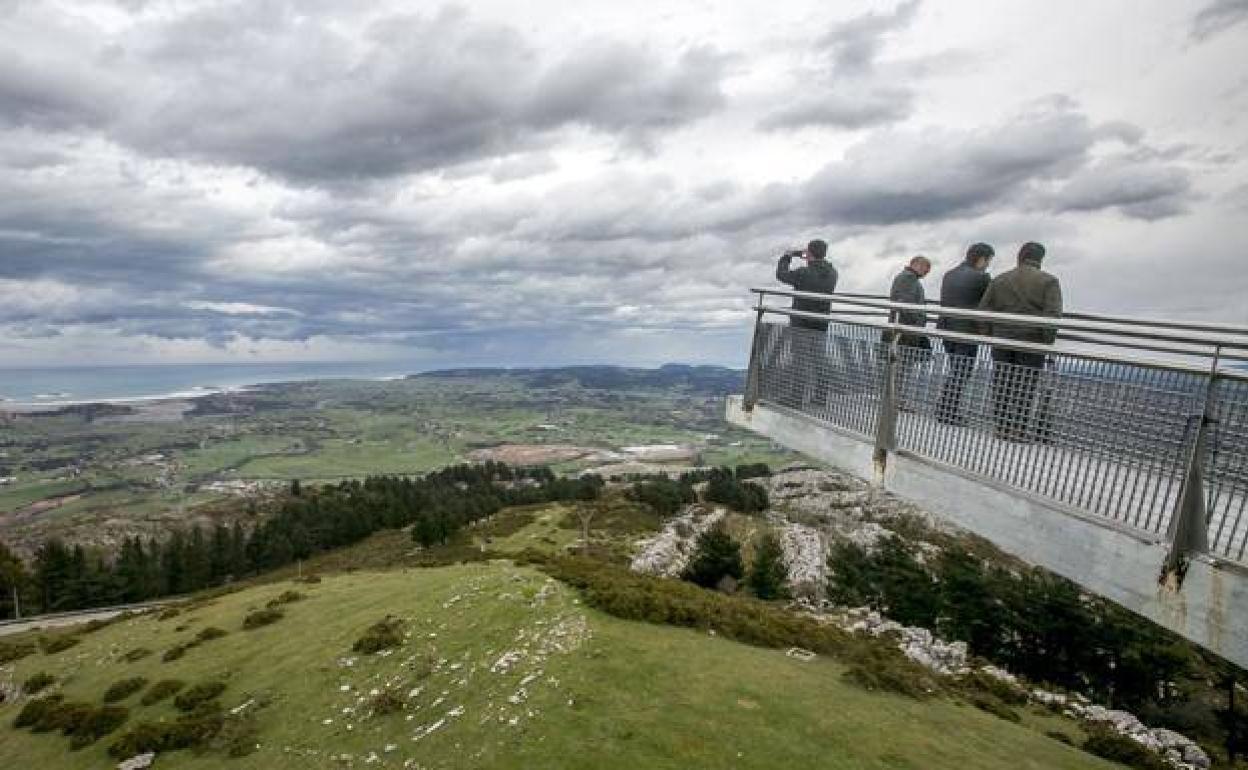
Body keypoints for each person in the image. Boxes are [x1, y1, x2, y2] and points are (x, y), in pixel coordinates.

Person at [978, 242, 1063, 441]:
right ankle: (1018, 428)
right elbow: (1053, 315)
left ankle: (1001, 426)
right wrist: (1047, 341)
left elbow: (983, 310)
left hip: (1002, 338)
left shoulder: (1000, 280)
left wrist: (988, 335)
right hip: (1031, 341)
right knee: (1025, 385)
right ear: (1040, 259)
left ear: (1020, 256)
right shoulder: (1049, 281)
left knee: (1001, 382)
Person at [771, 239, 838, 408]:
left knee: (800, 360)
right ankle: (821, 396)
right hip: (821, 321)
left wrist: (787, 256)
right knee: (819, 359)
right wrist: (808, 257)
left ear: (809, 253)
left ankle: (796, 398)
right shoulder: (832, 273)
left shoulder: (804, 273)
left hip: (801, 322)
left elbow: (781, 274)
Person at [936, 243, 994, 424]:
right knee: (962, 372)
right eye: (989, 260)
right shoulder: (982, 278)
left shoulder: (949, 274)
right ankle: (946, 412)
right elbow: (989, 303)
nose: (988, 265)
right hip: (967, 332)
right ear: (982, 259)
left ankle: (945, 409)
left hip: (946, 327)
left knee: (956, 370)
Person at [888, 256, 932, 410]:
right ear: (915, 264)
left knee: (902, 366)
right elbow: (905, 304)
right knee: (903, 367)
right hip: (906, 330)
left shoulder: (907, 278)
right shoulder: (908, 279)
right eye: (926, 268)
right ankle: (896, 400)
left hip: (904, 329)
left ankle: (896, 399)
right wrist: (918, 321)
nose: (927, 272)